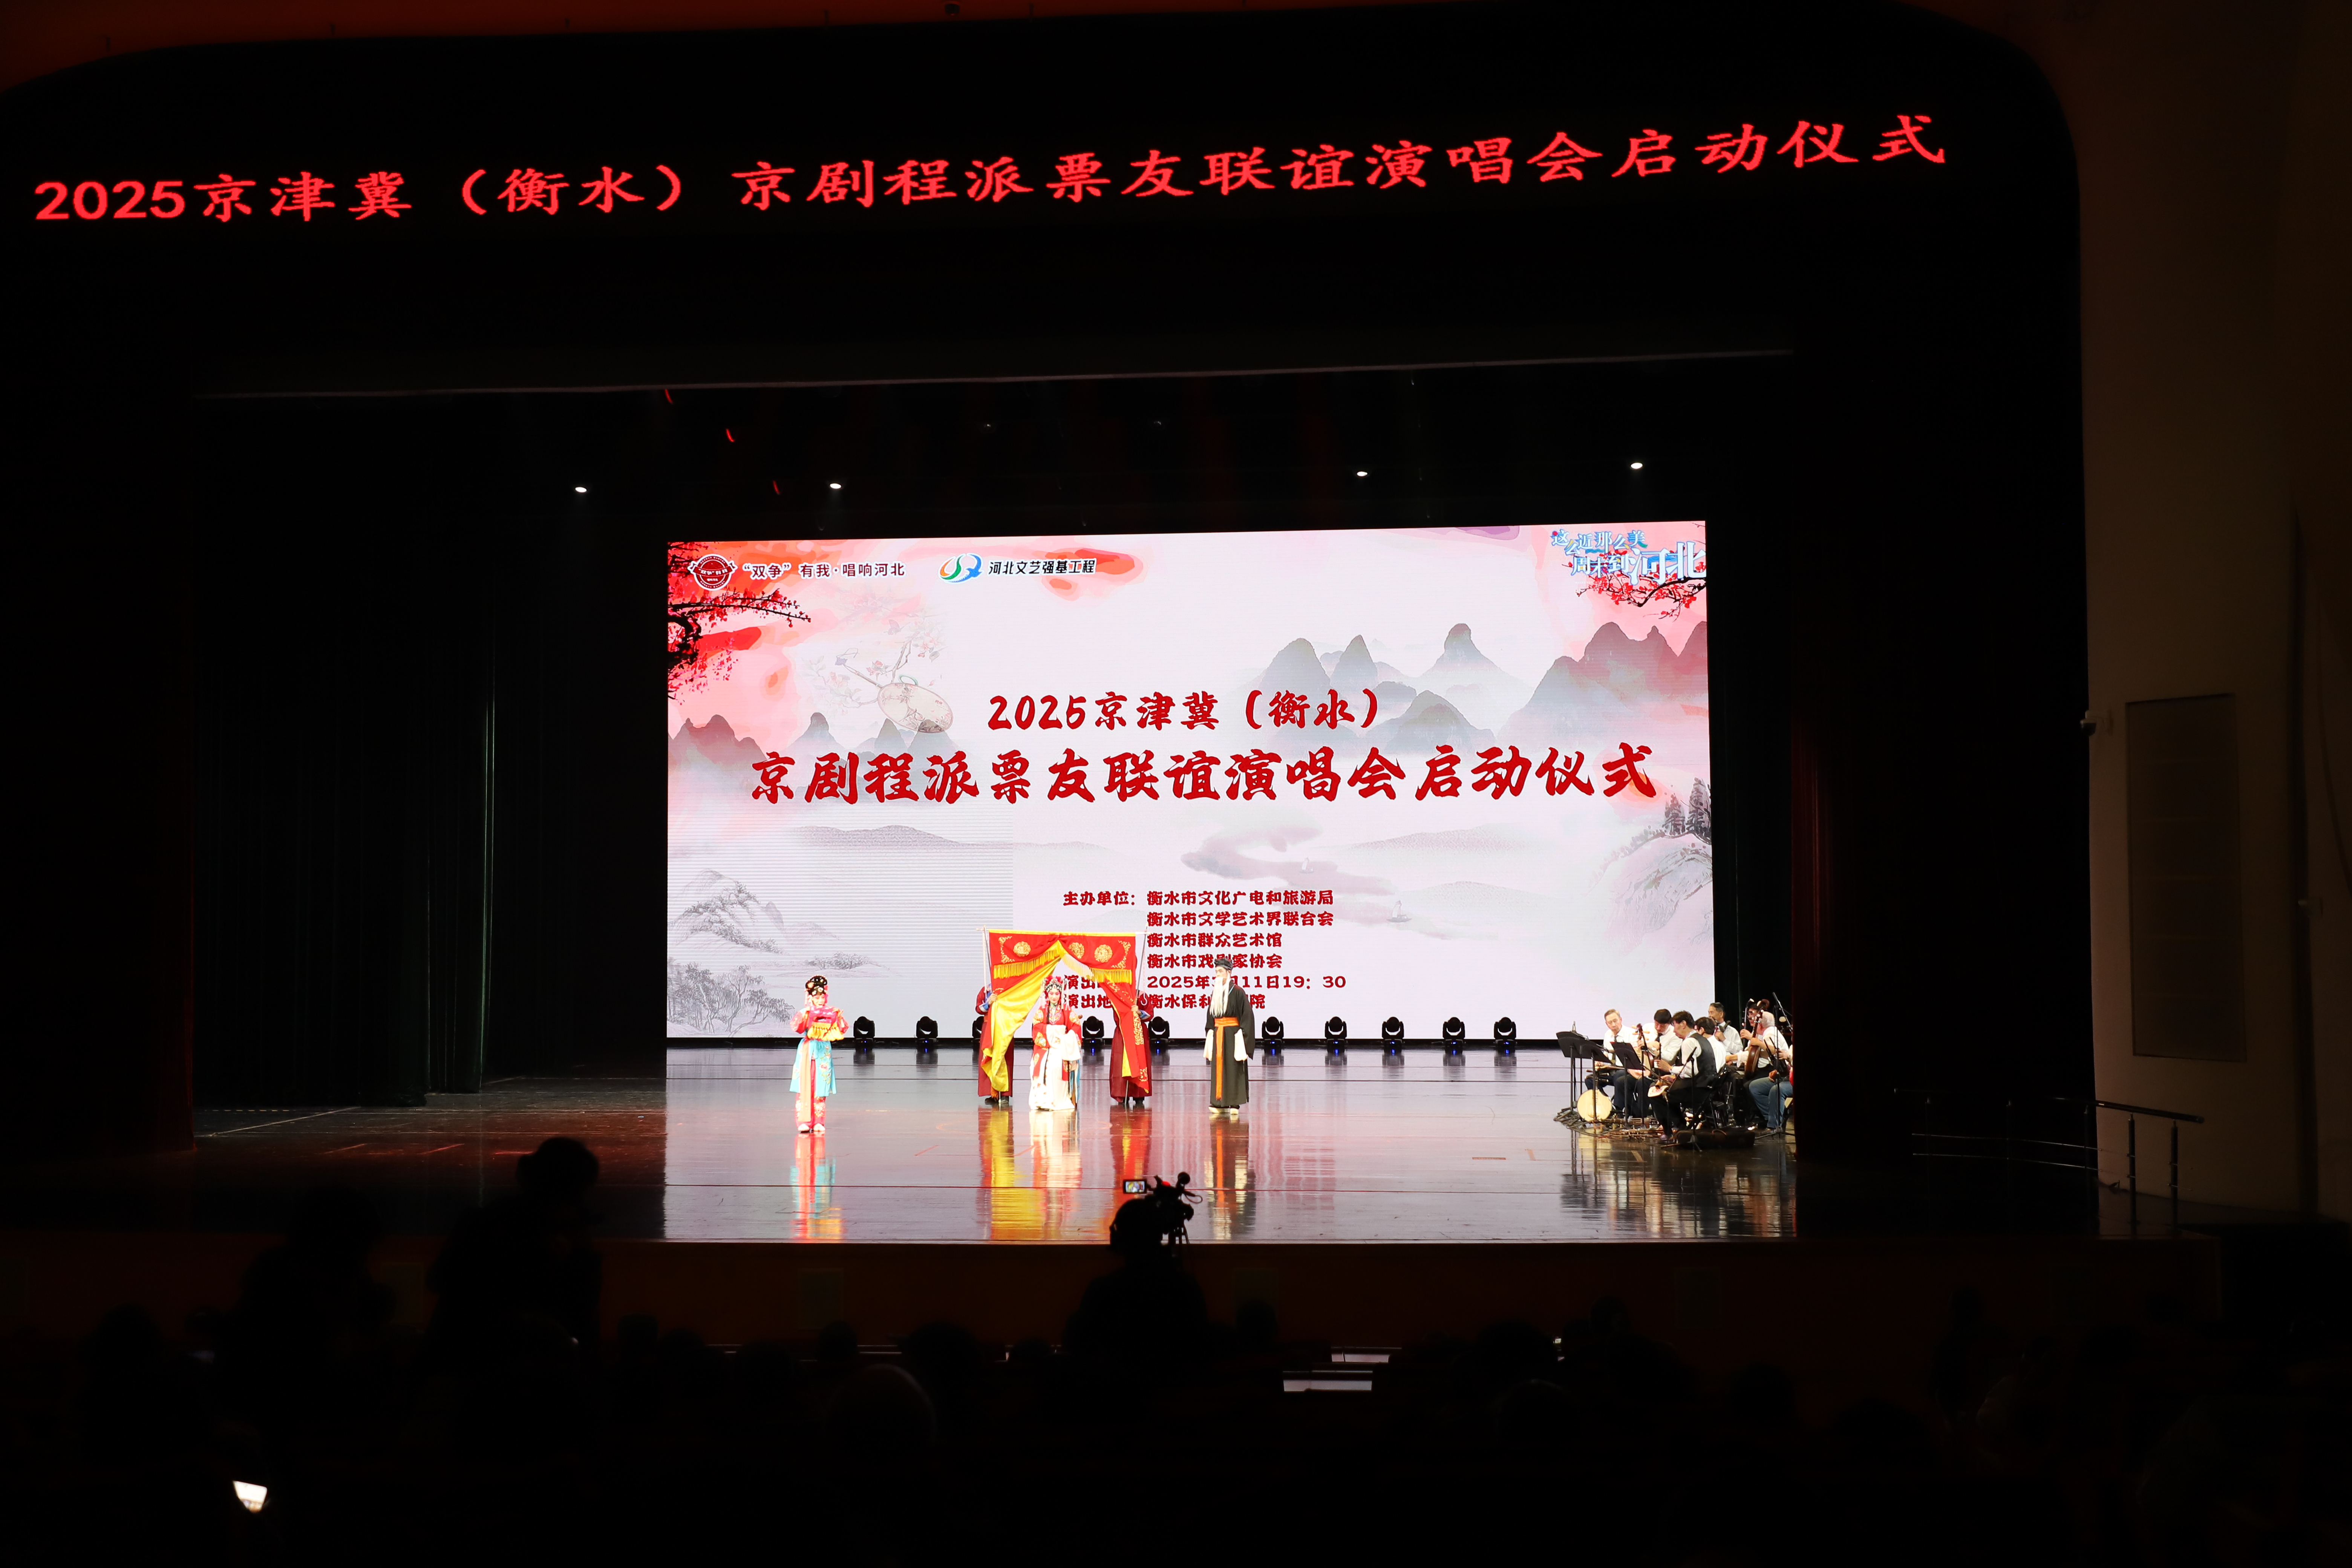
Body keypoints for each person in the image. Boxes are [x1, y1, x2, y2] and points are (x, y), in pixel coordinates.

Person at [791, 975, 845, 1134]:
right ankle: (804, 1122)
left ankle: (819, 1122)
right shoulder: (805, 1012)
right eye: (817, 997)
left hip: (823, 1050)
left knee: (821, 1086)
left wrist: (839, 1018)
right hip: (808, 1049)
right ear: (811, 998)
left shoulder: (830, 1012)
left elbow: (842, 1029)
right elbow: (797, 1028)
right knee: (805, 1086)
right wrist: (806, 1016)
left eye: (822, 997)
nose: (820, 1001)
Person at [1202, 956, 1256, 1115]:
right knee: (1218, 1067)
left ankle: (1234, 1103)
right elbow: (1211, 1016)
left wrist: (1243, 1035)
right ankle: (1219, 1102)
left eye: (1220, 972)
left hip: (1233, 1035)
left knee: (1233, 1067)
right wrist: (1210, 1031)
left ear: (1229, 972)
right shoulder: (1216, 992)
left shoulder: (1238, 992)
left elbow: (1247, 1015)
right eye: (1216, 972)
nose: (1218, 975)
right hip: (1219, 1033)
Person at [1027, 976, 1081, 1113]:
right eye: (1051, 993)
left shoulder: (1067, 1010)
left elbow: (1076, 1026)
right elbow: (1036, 1027)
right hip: (1045, 1047)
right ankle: (1041, 1100)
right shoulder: (1042, 1011)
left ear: (1061, 994)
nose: (1054, 997)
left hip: (1061, 1046)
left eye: (1057, 994)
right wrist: (1053, 1033)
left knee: (1056, 1066)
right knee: (1038, 1066)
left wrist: (1066, 1037)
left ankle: (1057, 1101)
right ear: (1047, 994)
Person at [1743, 1009, 1793, 1133]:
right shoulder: (1793, 1047)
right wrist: (1777, 1071)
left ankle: (1774, 1125)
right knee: (1755, 1087)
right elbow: (1789, 1067)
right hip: (1786, 1076)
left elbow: (1778, 1052)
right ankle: (1773, 1117)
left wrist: (1789, 1057)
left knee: (1776, 1090)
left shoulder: (1770, 1034)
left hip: (1794, 1081)